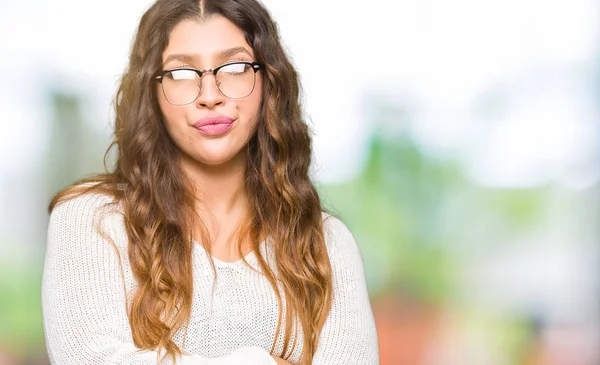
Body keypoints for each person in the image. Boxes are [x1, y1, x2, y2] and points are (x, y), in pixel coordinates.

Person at [40, 0, 380, 364]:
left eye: (234, 67)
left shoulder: (327, 244)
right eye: (182, 73)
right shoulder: (92, 220)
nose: (210, 95)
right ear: (151, 93)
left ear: (268, 80)